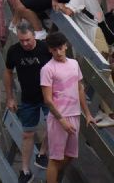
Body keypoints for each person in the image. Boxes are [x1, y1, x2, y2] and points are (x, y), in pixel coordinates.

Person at [41, 32, 96, 183]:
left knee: (71, 155)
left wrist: (88, 114)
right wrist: (62, 121)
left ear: (66, 46)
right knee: (55, 158)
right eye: (54, 49)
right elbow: (48, 100)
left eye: (60, 48)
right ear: (50, 50)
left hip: (75, 115)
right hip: (59, 118)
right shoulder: (47, 69)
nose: (58, 52)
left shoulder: (74, 64)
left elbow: (80, 89)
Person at [4, 21, 52, 181]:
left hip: (48, 96)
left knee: (54, 126)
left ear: (34, 36)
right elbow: (8, 72)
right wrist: (10, 97)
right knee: (27, 134)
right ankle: (25, 170)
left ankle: (42, 152)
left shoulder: (45, 48)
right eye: (21, 40)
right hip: (28, 97)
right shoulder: (14, 51)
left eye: (28, 40)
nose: (25, 43)